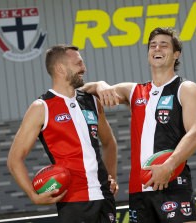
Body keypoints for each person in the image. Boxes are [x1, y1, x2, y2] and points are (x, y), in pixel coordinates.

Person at [82, 27, 196, 223]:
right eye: (152, 46)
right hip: (139, 189)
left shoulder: (185, 88)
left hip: (172, 182)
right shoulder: (134, 91)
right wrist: (100, 85)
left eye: (164, 45)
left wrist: (168, 166)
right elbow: (83, 90)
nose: (157, 48)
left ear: (176, 54)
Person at [7, 44, 118, 223]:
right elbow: (14, 159)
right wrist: (33, 196)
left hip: (105, 197)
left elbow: (109, 143)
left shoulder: (92, 102)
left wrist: (111, 176)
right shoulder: (41, 107)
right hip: (73, 200)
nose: (84, 68)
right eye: (78, 64)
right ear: (60, 68)